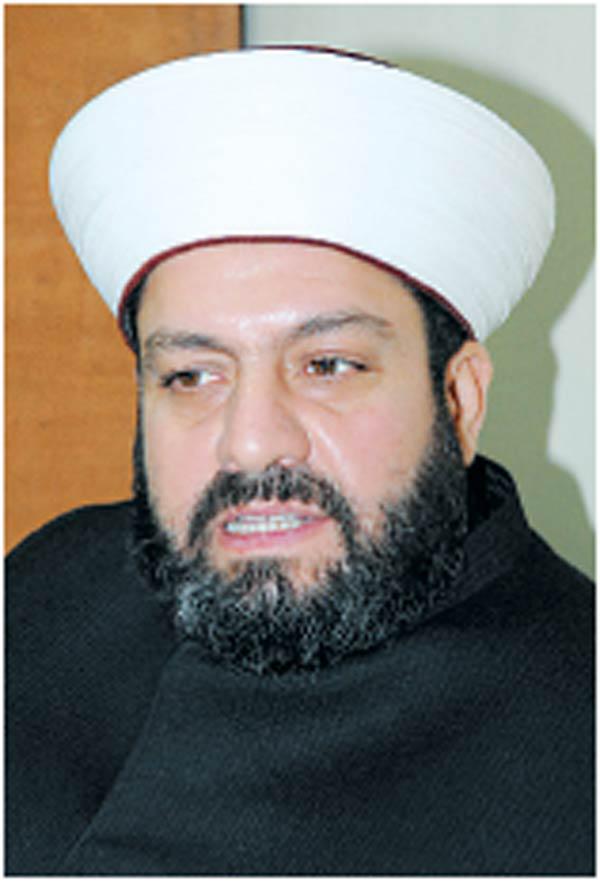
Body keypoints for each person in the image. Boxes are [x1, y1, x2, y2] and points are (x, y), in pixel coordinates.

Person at [6, 46, 593, 876]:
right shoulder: (45, 591)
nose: (250, 442)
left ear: (459, 400)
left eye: (327, 365)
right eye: (192, 375)